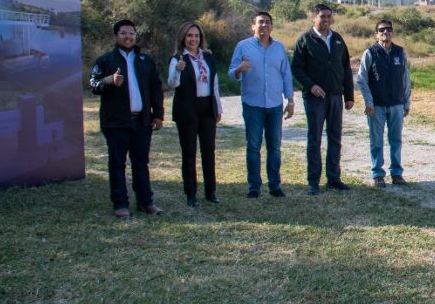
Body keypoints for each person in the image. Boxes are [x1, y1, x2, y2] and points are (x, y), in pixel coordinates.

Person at [89, 19, 165, 218]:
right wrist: (109, 81)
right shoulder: (105, 61)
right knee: (117, 164)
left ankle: (146, 202)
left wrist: (157, 115)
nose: (128, 37)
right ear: (116, 36)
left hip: (141, 121)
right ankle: (120, 204)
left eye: (131, 33)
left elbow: (156, 89)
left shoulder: (145, 61)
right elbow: (94, 85)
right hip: (116, 122)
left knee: (141, 163)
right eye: (124, 33)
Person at [228, 11, 295, 199]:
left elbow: (286, 75)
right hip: (252, 104)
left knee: (274, 147)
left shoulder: (279, 48)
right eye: (260, 22)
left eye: (267, 22)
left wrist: (290, 100)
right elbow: (230, 73)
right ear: (253, 26)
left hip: (274, 104)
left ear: (271, 26)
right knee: (253, 146)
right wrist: (240, 69)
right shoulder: (243, 46)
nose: (263, 25)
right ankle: (254, 187)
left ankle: (275, 186)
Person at [291, 3, 354, 193]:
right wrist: (311, 86)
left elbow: (346, 69)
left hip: (336, 96)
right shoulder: (305, 40)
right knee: (315, 139)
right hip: (315, 98)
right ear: (314, 18)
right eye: (322, 17)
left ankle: (333, 178)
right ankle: (313, 181)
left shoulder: (337, 39)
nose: (326, 20)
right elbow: (297, 68)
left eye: (328, 16)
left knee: (335, 138)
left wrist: (349, 95)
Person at [167, 21, 223, 207]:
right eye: (190, 36)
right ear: (183, 38)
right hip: (187, 109)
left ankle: (211, 191)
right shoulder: (178, 59)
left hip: (207, 107)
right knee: (189, 152)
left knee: (209, 150)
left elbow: (214, 84)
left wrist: (218, 108)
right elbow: (172, 83)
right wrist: (177, 71)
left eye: (196, 36)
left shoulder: (207, 57)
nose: (193, 39)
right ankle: (191, 194)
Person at [355, 19, 412, 187]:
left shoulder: (400, 52)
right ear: (376, 34)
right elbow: (361, 79)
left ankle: (396, 173)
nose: (385, 32)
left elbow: (405, 78)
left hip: (396, 104)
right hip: (376, 105)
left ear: (392, 33)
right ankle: (377, 174)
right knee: (376, 141)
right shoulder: (370, 52)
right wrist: (368, 101)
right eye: (381, 30)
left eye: (388, 30)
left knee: (396, 140)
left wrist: (407, 102)